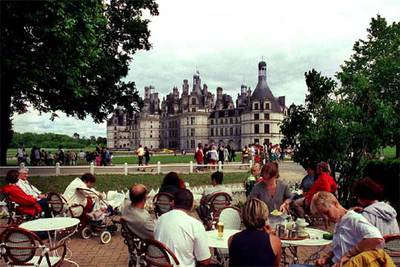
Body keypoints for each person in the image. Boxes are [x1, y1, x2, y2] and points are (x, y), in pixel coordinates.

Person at [309, 191, 384, 267]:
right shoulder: (339, 221)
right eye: (322, 215)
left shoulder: (354, 219)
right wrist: (327, 257)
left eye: (327, 212)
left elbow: (376, 238)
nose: (326, 218)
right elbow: (340, 247)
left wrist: (349, 255)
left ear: (335, 204)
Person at [155, 189, 211, 267]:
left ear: (173, 203)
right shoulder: (195, 225)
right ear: (192, 206)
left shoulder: (160, 219)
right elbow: (205, 261)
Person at [229, 198, 282, 267]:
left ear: (243, 216)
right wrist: (270, 236)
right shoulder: (275, 241)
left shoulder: (232, 239)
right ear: (264, 217)